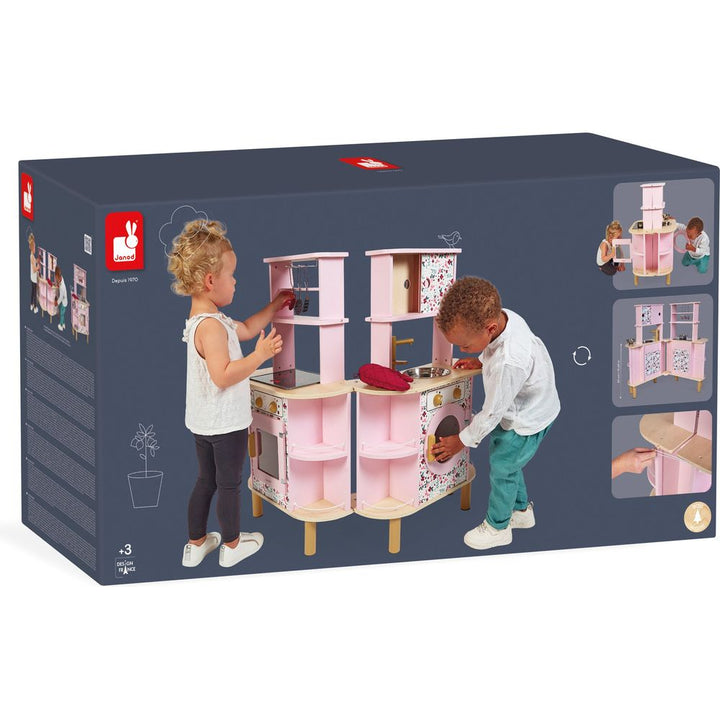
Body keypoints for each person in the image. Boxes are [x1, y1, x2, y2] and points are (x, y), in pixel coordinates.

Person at [167, 219, 294, 568]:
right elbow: (222, 376)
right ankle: (233, 545)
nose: (236, 281)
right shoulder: (211, 328)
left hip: (203, 423)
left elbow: (250, 327)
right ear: (210, 281)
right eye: (232, 275)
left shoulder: (209, 321)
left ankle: (195, 544)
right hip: (225, 424)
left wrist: (275, 305)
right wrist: (260, 356)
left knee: (205, 480)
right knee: (228, 485)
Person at [432, 277, 560, 550]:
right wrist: (480, 359)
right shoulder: (505, 317)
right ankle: (521, 512)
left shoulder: (508, 362)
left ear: (489, 328)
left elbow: (491, 413)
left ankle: (498, 527)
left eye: (465, 345)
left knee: (502, 468)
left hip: (527, 418)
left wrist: (461, 440)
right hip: (533, 403)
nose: (461, 350)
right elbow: (492, 346)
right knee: (509, 462)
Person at [55, 266, 68, 330]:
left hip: (64, 302)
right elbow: (59, 282)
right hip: (64, 301)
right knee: (63, 313)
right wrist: (58, 284)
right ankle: (63, 324)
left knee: (61, 314)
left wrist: (56, 303)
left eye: (56, 279)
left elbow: (61, 297)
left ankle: (60, 325)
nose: (56, 280)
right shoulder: (62, 278)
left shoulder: (62, 287)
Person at [28, 233, 39, 313]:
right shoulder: (31, 256)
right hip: (34, 277)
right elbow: (34, 269)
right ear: (32, 248)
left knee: (32, 291)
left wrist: (37, 260)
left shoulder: (32, 256)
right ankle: (35, 307)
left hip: (32, 277)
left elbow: (34, 262)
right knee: (35, 293)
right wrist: (38, 267)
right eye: (34, 247)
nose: (35, 249)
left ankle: (31, 304)